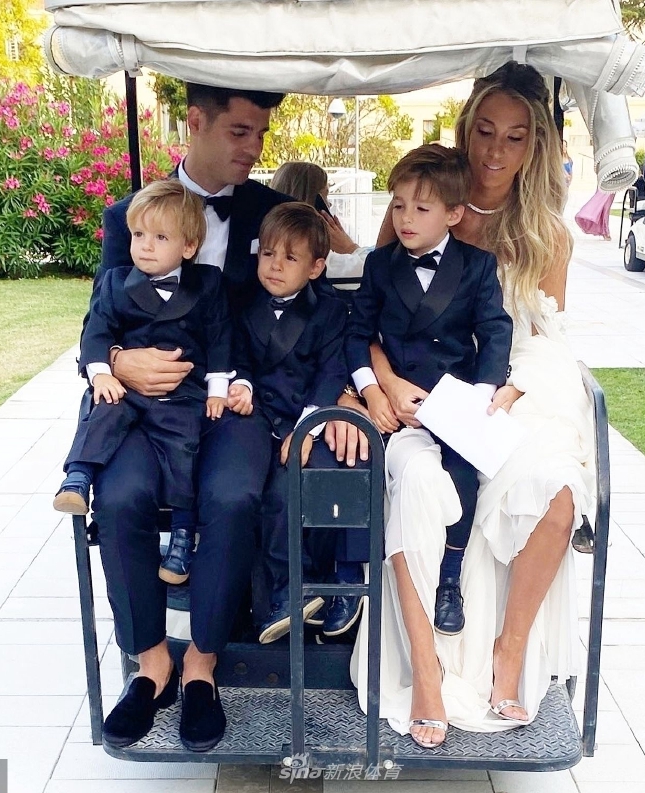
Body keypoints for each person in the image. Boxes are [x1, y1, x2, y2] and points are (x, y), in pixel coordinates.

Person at [90, 83, 367, 755]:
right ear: (195, 122)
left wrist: (347, 389)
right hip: (148, 403)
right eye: (240, 131)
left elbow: (319, 307)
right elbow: (101, 312)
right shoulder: (131, 216)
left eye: (261, 134)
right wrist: (119, 361)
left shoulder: (271, 212)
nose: (254, 147)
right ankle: (150, 664)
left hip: (236, 400)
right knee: (121, 496)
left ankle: (201, 665)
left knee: (234, 493)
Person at [352, 61, 595, 750]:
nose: (495, 151)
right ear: (466, 130)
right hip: (422, 393)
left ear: (534, 146)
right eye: (485, 131)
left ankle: (507, 650)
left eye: (515, 137)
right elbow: (372, 320)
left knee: (556, 487)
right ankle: (425, 667)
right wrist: (381, 383)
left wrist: (506, 392)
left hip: (513, 388)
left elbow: (545, 335)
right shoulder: (419, 203)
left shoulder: (547, 234)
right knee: (421, 479)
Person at [346, 142, 512, 651]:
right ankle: (358, 583)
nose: (405, 218)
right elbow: (357, 334)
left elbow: (495, 331)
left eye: (421, 208)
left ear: (453, 214)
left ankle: (450, 576)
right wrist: (373, 389)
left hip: (454, 398)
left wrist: (480, 397)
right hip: (398, 404)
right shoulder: (380, 265)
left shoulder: (477, 266)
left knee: (463, 472)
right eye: (398, 205)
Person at [54, 181, 232, 537]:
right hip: (128, 389)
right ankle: (77, 477)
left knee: (184, 446)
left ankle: (182, 533)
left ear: (189, 246)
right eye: (138, 235)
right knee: (103, 410)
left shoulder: (207, 283)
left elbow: (219, 338)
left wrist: (217, 388)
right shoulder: (116, 282)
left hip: (182, 394)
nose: (146, 246)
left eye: (160, 237)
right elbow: (97, 331)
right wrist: (102, 373)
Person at [224, 202, 352, 644]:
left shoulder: (331, 311)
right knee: (254, 489)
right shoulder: (243, 304)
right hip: (259, 417)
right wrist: (241, 384)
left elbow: (331, 371)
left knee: (293, 488)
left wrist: (306, 428)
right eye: (267, 254)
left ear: (316, 267)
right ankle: (282, 594)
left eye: (290, 258)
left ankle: (303, 587)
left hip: (304, 417)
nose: (275, 266)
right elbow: (237, 356)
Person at [269, 161, 372, 280]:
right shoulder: (318, 257)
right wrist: (349, 248)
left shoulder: (268, 245)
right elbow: (373, 269)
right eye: (325, 197)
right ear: (314, 204)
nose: (329, 204)